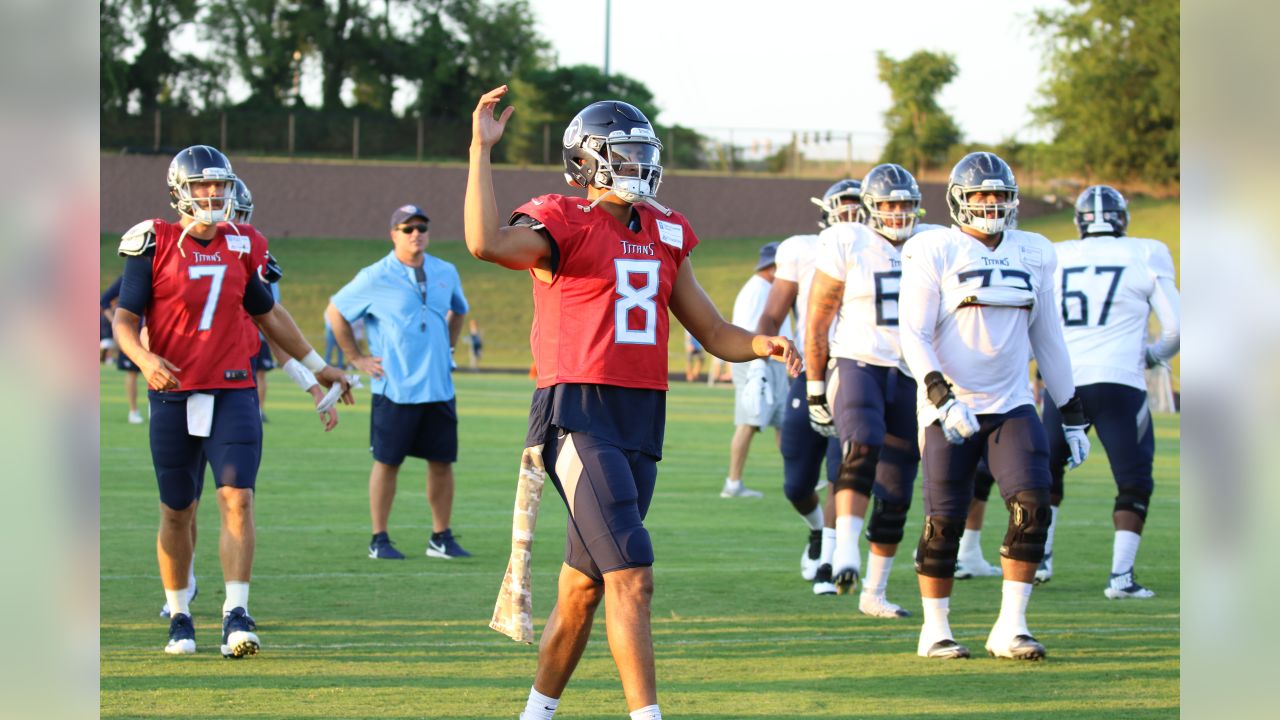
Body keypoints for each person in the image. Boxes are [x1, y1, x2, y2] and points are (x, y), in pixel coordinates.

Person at [465, 86, 798, 720]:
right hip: (578, 413)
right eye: (623, 153)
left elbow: (713, 332)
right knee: (634, 573)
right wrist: (481, 150)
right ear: (586, 161)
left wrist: (762, 343)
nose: (639, 164)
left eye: (644, 151)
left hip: (643, 416)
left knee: (585, 585)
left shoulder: (668, 229)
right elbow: (484, 242)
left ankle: (535, 713)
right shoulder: (560, 218)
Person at [113, 144, 351, 658]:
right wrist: (143, 359)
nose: (213, 194)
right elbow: (124, 320)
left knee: (237, 497)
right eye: (202, 185)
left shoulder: (245, 242)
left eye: (219, 185)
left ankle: (236, 613)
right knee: (177, 510)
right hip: (173, 393)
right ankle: (179, 614)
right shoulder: (153, 240)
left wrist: (318, 367)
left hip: (233, 389)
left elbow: (268, 314)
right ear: (181, 189)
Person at [898, 151, 1090, 660]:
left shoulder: (1035, 252)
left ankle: (1011, 627)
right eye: (982, 194)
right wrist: (941, 396)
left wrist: (1071, 415)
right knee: (945, 521)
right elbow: (912, 335)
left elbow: (1049, 340)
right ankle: (935, 629)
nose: (991, 203)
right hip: (948, 407)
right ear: (959, 198)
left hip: (1010, 404)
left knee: (1033, 508)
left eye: (999, 194)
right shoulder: (933, 247)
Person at [806, 165, 944, 616]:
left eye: (904, 204)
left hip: (910, 371)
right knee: (862, 442)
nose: (897, 213)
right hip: (858, 360)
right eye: (888, 204)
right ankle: (844, 552)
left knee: (898, 490)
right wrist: (813, 387)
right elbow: (818, 319)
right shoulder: (848, 240)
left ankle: (874, 594)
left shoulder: (934, 241)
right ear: (870, 206)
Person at [1041, 185, 1180, 597]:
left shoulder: (1056, 253)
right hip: (1121, 382)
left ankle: (1037, 560)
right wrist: (1153, 357)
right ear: (1123, 219)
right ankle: (1120, 578)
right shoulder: (1145, 252)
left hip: (1064, 382)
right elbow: (1176, 327)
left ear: (1080, 222)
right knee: (1133, 481)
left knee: (1047, 474)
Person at [327, 203, 471, 561]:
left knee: (441, 463)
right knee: (388, 463)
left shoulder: (445, 271)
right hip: (395, 388)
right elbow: (335, 312)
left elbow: (460, 309)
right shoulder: (375, 275)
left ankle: (441, 537)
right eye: (407, 229)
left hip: (438, 386)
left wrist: (449, 347)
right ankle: (380, 539)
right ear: (394, 234)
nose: (416, 234)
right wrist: (355, 357)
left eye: (421, 227)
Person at [754, 183, 860, 593]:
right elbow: (772, 315)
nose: (851, 215)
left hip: (854, 371)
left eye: (858, 207)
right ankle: (818, 531)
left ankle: (830, 560)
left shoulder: (878, 251)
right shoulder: (801, 250)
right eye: (844, 207)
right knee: (796, 484)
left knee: (840, 470)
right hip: (806, 371)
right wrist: (764, 358)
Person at [721, 241, 791, 499]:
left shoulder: (765, 288)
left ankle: (795, 477)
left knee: (784, 422)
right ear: (773, 267)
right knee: (748, 422)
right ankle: (733, 482)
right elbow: (749, 334)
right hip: (758, 364)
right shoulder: (758, 291)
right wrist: (757, 367)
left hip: (774, 365)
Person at [101, 275, 144, 423]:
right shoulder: (128, 276)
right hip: (131, 333)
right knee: (132, 373)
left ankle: (156, 410)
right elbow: (104, 300)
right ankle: (133, 411)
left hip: (154, 331)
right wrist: (117, 323)